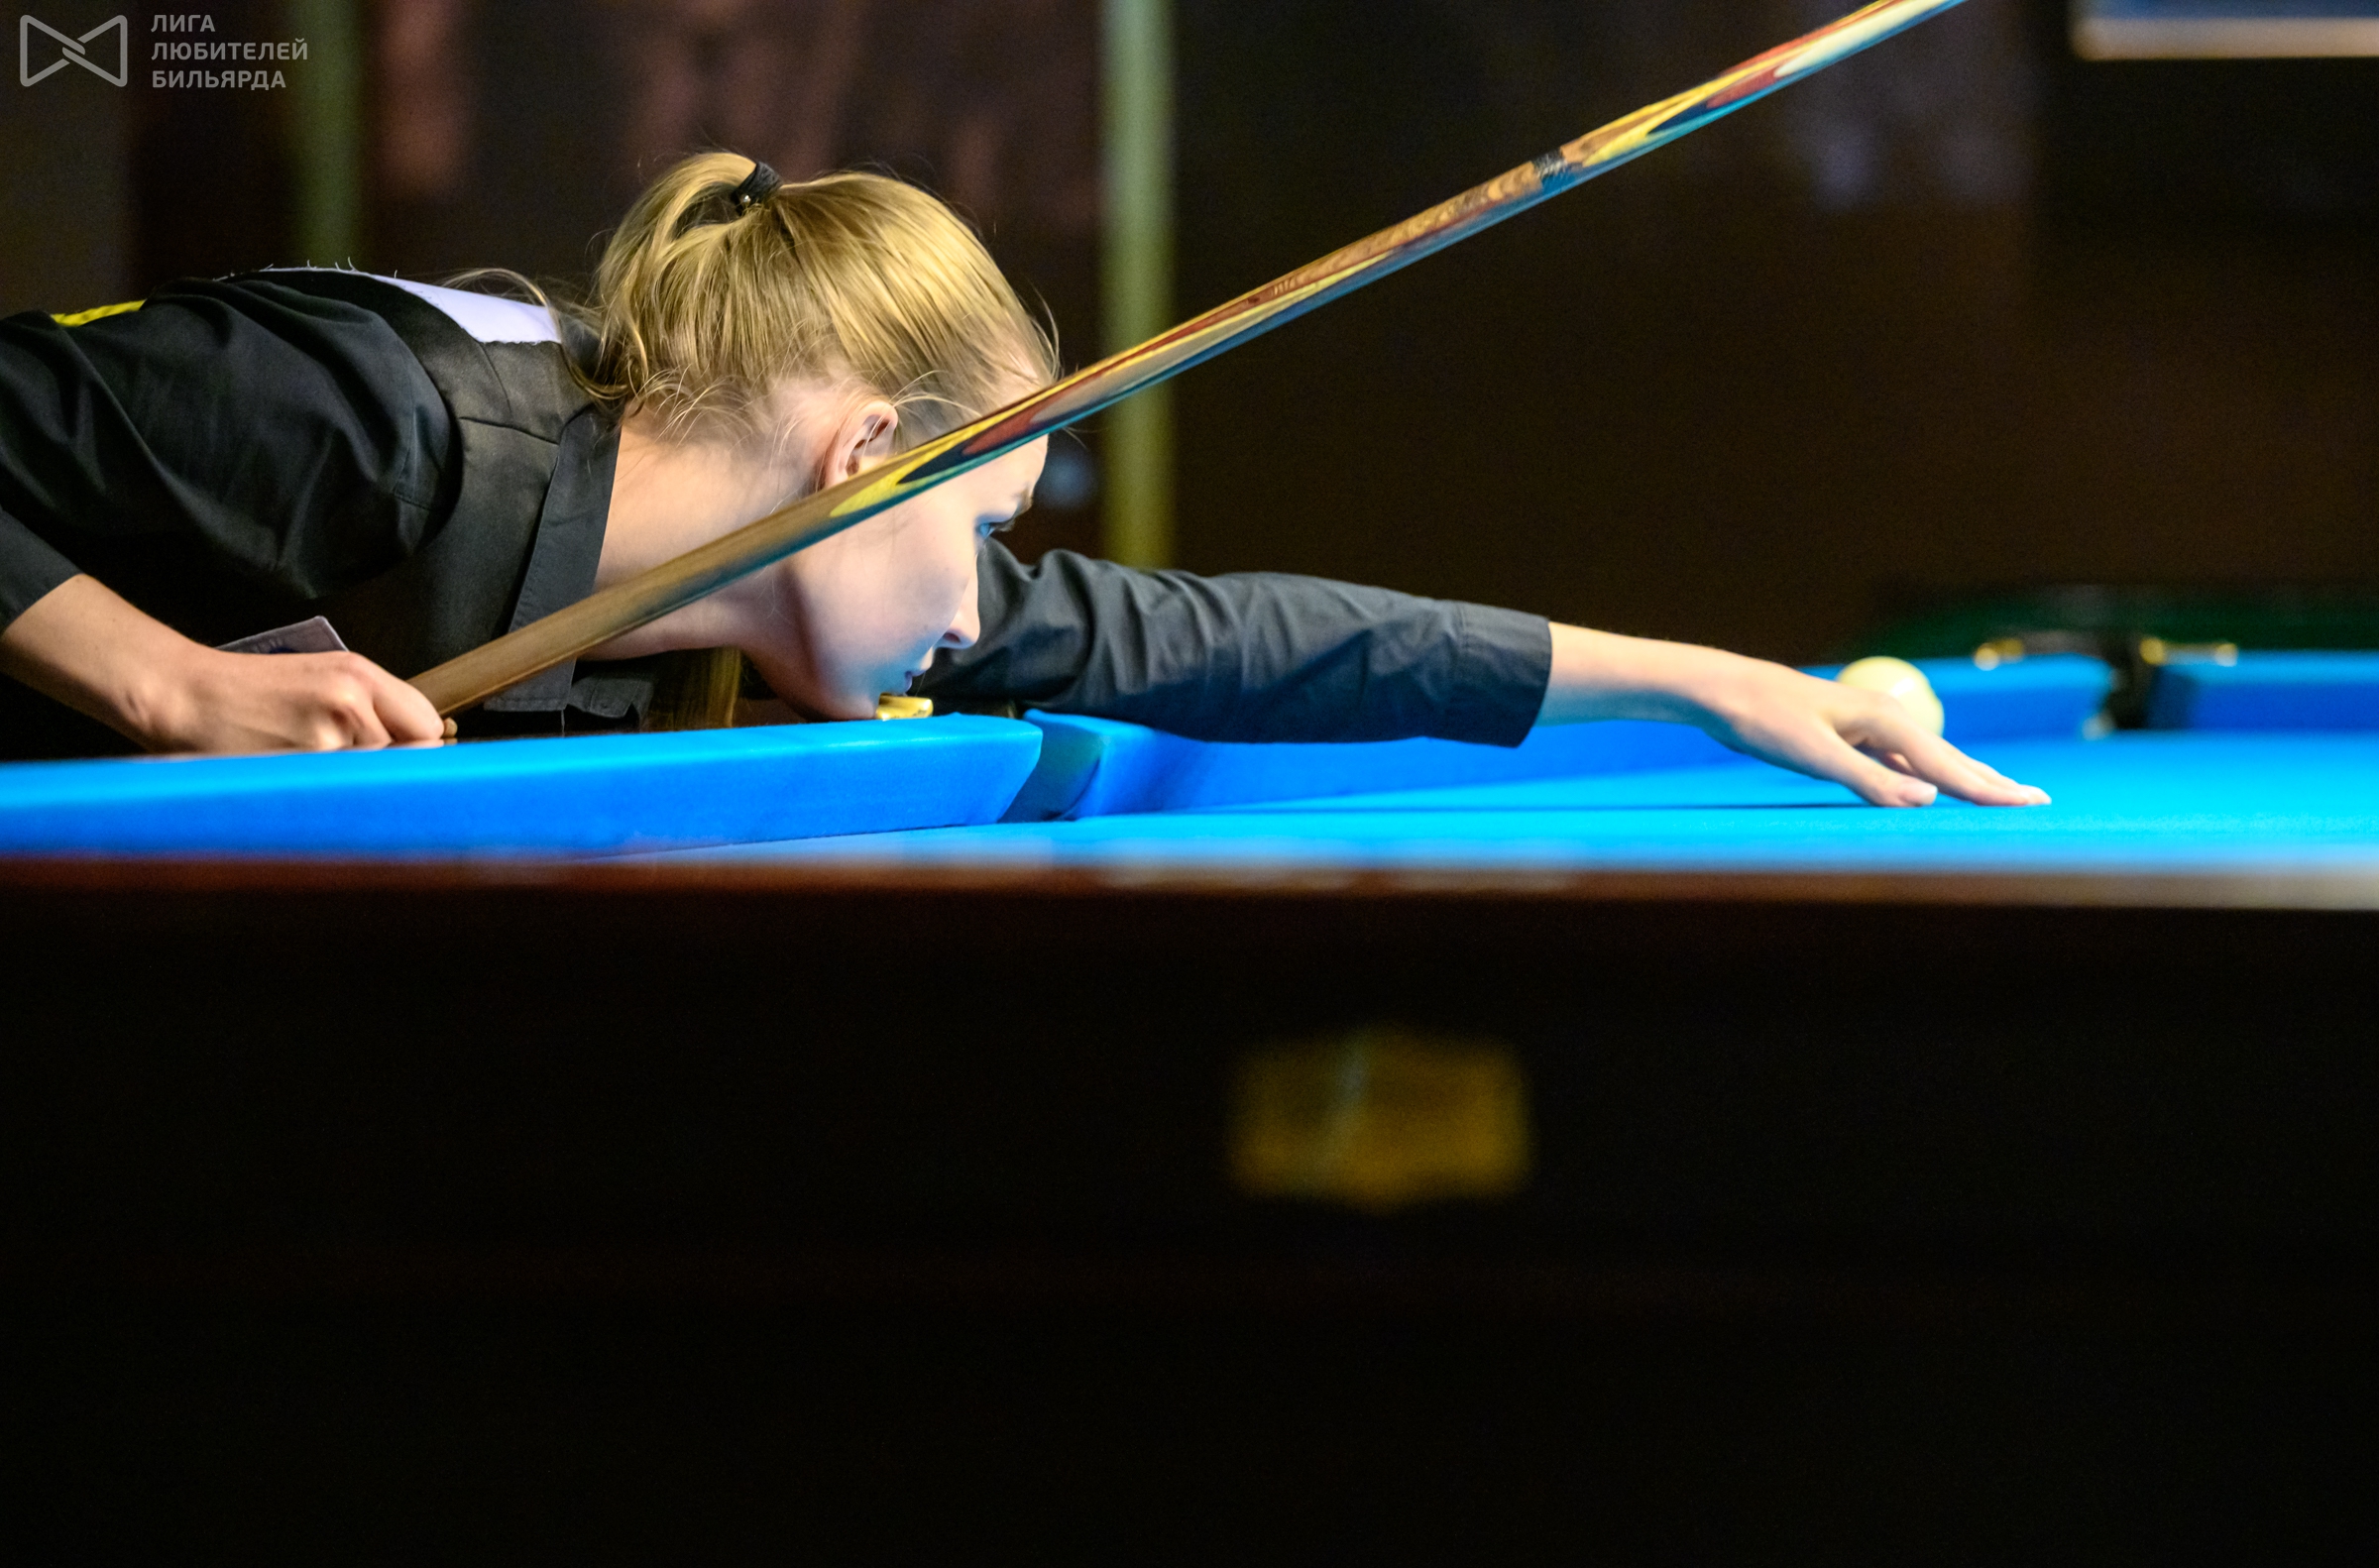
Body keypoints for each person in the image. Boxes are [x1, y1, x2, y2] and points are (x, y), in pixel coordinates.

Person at [0, 154, 2043, 809]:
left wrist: (1716, 680)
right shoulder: (369, 411)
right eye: (986, 520)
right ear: (862, 455)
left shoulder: (790, 588)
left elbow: (1245, 642)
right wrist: (157, 677)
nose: (995, 588)